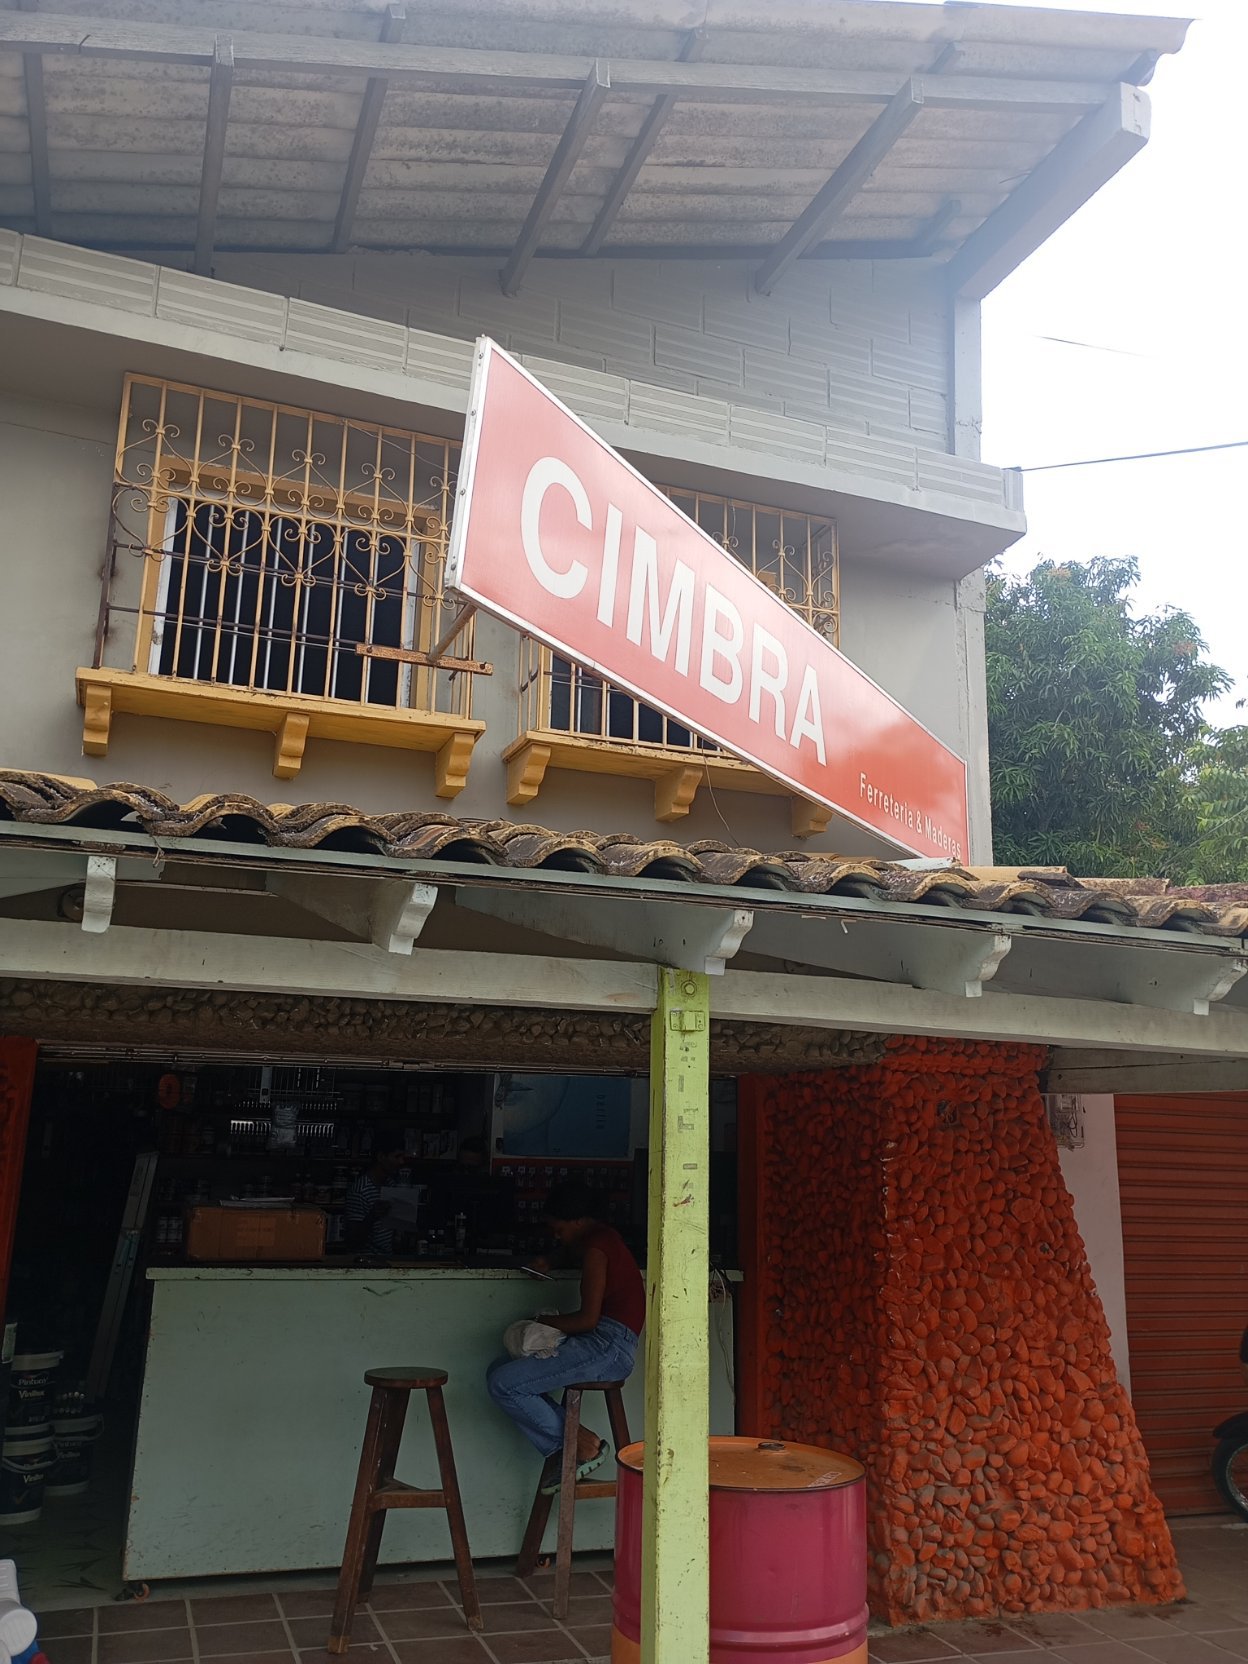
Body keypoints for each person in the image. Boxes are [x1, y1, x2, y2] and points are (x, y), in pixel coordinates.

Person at [486, 1180, 644, 1494]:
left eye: (559, 1229)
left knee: (503, 1383)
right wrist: (551, 1261)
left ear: (578, 1221)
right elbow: (571, 1250)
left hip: (607, 1348)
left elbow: (587, 1320)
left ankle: (582, 1445)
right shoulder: (600, 1239)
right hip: (605, 1343)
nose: (556, 1236)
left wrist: (542, 1321)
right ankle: (577, 1441)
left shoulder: (597, 1249)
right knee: (499, 1370)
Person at [344, 1136, 405, 1255]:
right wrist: (372, 1216)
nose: (401, 1162)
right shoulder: (360, 1190)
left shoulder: (391, 1185)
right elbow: (352, 1240)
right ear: (381, 1157)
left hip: (388, 1258)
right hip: (366, 1260)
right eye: (397, 1156)